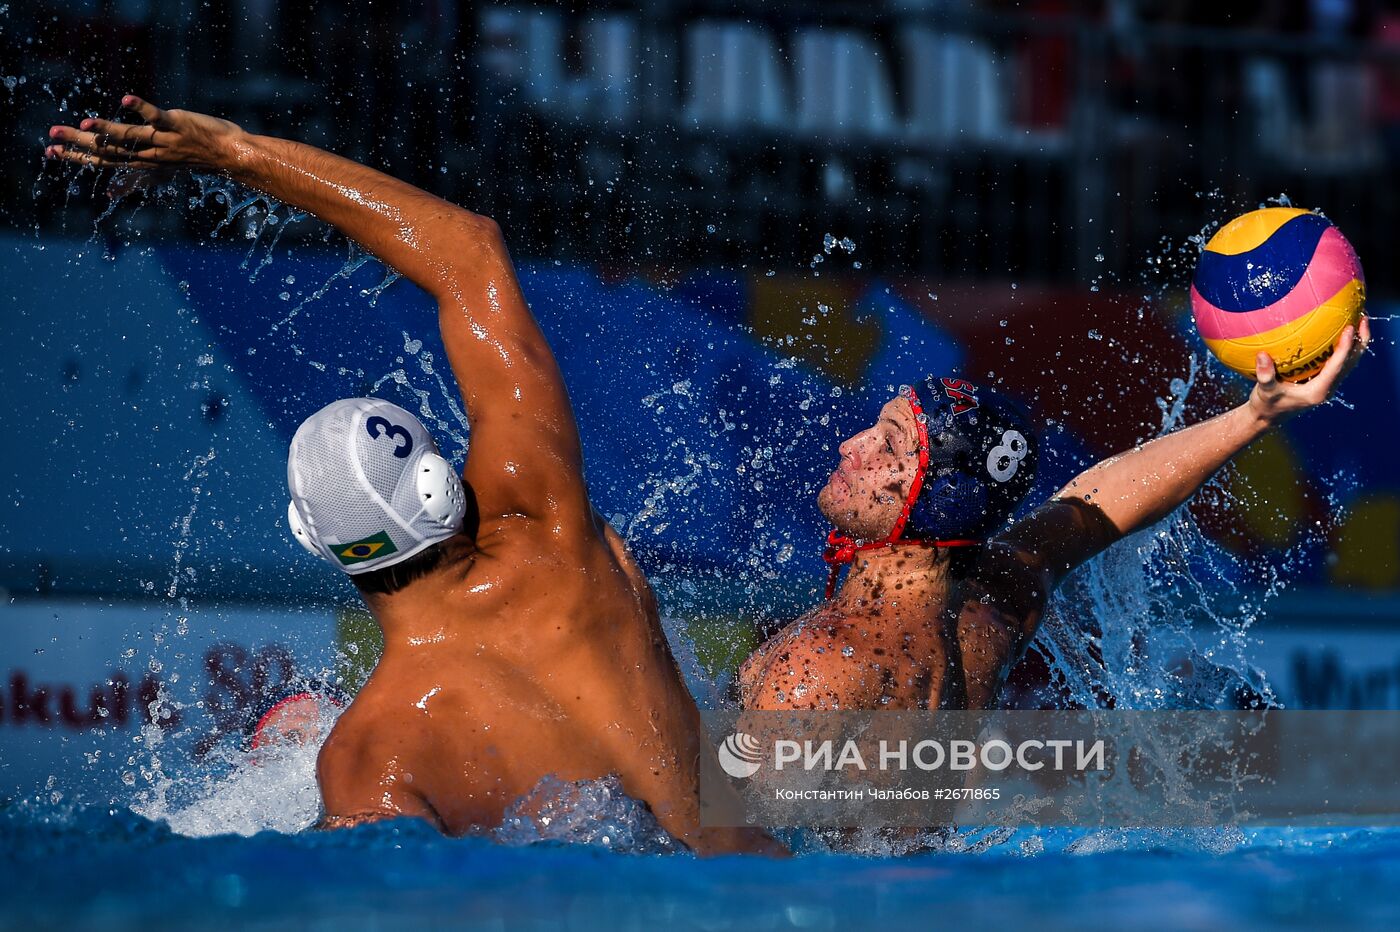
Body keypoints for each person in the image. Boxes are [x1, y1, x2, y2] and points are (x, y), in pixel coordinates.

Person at [46, 96, 781, 855]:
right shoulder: (547, 534)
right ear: (437, 485)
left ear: (313, 541)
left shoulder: (371, 752)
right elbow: (468, 250)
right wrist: (237, 152)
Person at [738, 334, 1369, 712]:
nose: (852, 446)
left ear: (933, 502)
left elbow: (732, 846)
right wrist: (1255, 416)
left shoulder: (818, 671)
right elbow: (1097, 505)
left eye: (890, 444)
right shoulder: (991, 605)